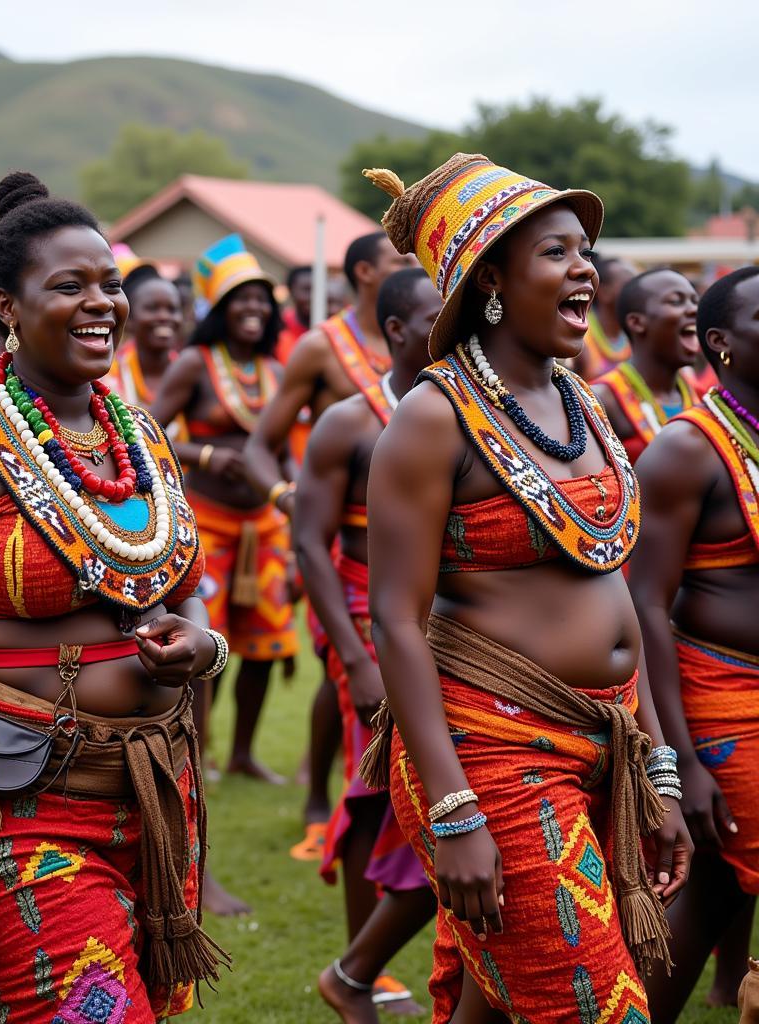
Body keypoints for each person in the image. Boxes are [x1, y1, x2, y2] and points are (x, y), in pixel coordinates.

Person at [0, 172, 227, 1023]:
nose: (102, 302)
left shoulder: (141, 437)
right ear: (7, 308)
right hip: (12, 802)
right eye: (69, 286)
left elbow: (185, 591)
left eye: (109, 283)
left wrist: (203, 646)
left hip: (149, 793)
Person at [359, 154, 692, 1023]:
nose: (585, 267)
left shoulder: (582, 401)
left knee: (498, 1004)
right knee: (591, 1002)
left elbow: (616, 588)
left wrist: (655, 768)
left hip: (605, 738)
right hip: (494, 757)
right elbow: (395, 620)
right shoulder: (432, 419)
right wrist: (454, 810)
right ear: (493, 280)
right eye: (557, 252)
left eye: (586, 249)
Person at [295, 267, 441, 1022]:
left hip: (445, 624)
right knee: (373, 787)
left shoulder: (470, 415)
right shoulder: (349, 423)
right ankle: (362, 970)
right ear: (395, 330)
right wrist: (353, 656)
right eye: (435, 314)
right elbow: (310, 544)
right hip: (363, 620)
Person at [243, 231, 415, 856]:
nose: (410, 267)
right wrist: (289, 502)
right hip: (337, 548)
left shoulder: (434, 342)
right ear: (366, 272)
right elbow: (262, 444)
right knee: (346, 673)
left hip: (411, 560)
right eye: (398, 261)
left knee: (341, 679)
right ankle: (330, 803)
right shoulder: (322, 348)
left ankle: (333, 796)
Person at [630, 266, 759, 1022]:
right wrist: (676, 763)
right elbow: (645, 604)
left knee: (711, 894)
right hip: (724, 701)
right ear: (722, 344)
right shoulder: (685, 450)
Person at [151, 234, 298, 789]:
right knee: (203, 641)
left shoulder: (276, 372)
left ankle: (242, 752)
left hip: (264, 526)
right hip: (206, 523)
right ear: (219, 308)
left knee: (265, 645)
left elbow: (282, 449)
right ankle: (196, 749)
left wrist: (293, 495)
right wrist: (207, 453)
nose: (254, 309)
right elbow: (149, 429)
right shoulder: (195, 363)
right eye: (241, 299)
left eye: (262, 299)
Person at [592, 268, 700, 463]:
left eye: (695, 301)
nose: (694, 309)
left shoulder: (700, 396)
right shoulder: (600, 401)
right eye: (676, 301)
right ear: (636, 322)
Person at [105, 268, 182, 408]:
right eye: (152, 308)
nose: (164, 316)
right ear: (129, 319)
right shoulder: (106, 379)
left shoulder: (190, 374)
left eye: (172, 309)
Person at [572, 256, 636, 379]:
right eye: (629, 285)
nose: (637, 292)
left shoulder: (636, 334)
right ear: (603, 292)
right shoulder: (578, 336)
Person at [275, 264, 311, 364]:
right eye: (307, 290)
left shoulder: (329, 330)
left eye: (317, 290)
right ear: (291, 291)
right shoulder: (278, 326)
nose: (313, 296)